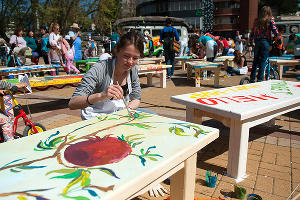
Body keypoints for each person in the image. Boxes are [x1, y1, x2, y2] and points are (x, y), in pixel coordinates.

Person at [68, 30, 143, 120]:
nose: (130, 62)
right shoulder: (100, 69)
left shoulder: (132, 70)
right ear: (117, 51)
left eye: (135, 58)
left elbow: (136, 98)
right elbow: (72, 103)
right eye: (126, 56)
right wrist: (101, 95)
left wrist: (127, 109)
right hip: (95, 118)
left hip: (118, 116)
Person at [249, 5, 280, 83]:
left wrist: (250, 40)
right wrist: (278, 38)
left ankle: (252, 79)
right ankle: (259, 80)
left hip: (257, 42)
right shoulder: (270, 19)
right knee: (263, 61)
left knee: (255, 61)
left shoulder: (257, 20)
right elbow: (274, 30)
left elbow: (252, 32)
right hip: (265, 42)